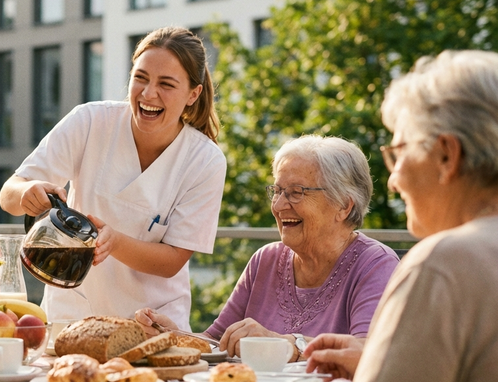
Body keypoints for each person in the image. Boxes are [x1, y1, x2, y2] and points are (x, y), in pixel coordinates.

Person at [304, 51, 498, 382]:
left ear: (446, 155)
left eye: (397, 153)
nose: (392, 182)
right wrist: (388, 366)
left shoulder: (446, 262)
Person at [0, 26, 226, 330]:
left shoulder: (204, 160)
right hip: (72, 317)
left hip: (151, 324)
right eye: (140, 78)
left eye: (166, 84)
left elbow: (172, 260)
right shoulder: (90, 122)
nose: (148, 94)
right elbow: (8, 194)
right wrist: (27, 192)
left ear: (193, 94)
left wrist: (114, 242)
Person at [136, 135, 398, 359]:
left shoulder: (375, 264)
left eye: (296, 192)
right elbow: (216, 342)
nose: (279, 205)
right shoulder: (266, 260)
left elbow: (369, 354)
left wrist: (289, 344)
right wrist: (173, 336)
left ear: (344, 205)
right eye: (277, 190)